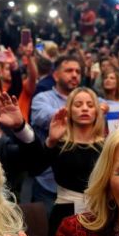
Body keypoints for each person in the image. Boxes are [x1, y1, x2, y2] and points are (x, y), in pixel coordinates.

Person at [43, 87, 106, 236]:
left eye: (90, 105)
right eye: (78, 105)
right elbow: (36, 167)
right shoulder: (58, 143)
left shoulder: (107, 146)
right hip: (64, 215)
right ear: (69, 110)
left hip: (100, 214)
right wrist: (51, 141)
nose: (84, 108)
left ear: (97, 111)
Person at [30, 56, 83, 211]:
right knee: (43, 232)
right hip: (48, 182)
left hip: (78, 185)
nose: (75, 75)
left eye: (78, 71)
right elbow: (49, 117)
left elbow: (115, 108)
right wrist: (92, 111)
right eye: (69, 70)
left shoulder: (86, 99)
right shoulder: (42, 98)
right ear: (55, 75)